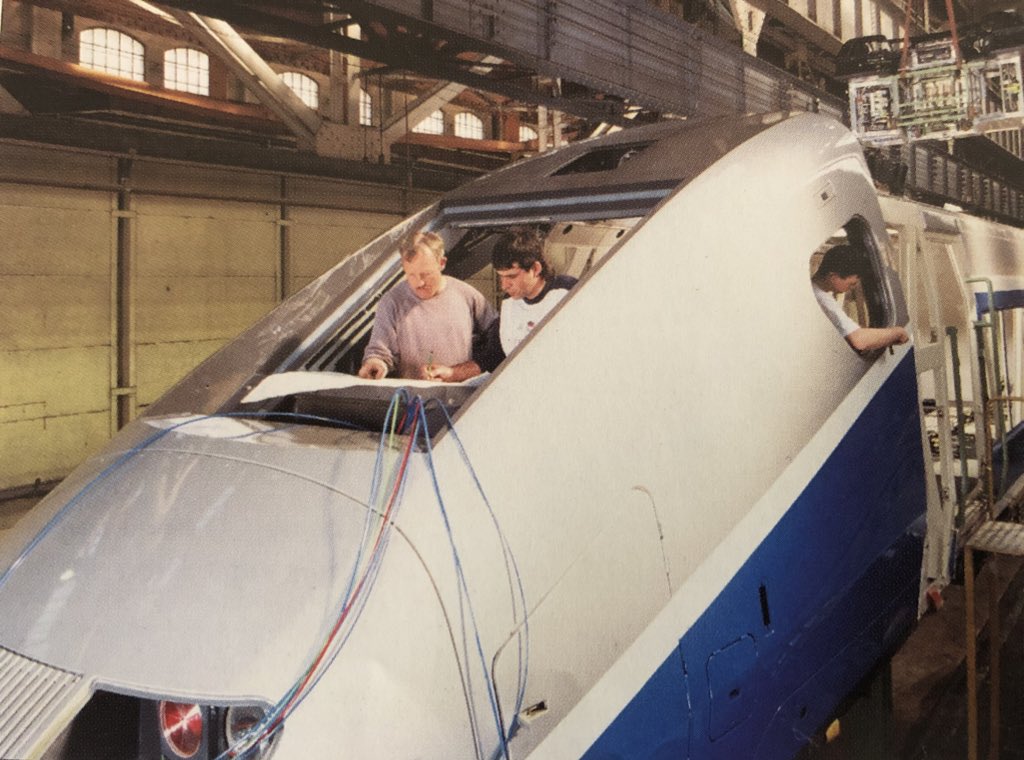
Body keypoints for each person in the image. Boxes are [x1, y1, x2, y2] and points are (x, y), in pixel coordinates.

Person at [426, 227, 577, 382]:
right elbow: (491, 358)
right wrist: (451, 373)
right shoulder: (509, 303)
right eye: (501, 277)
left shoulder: (567, 291)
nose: (504, 286)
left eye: (511, 276)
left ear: (535, 268)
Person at [358, 230, 496, 380]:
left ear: (441, 263)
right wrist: (375, 363)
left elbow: (499, 337)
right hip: (411, 399)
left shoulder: (467, 295)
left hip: (463, 398)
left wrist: (466, 370)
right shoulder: (392, 301)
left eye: (426, 274)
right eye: (411, 275)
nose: (419, 283)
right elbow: (379, 352)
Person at [811, 244, 909, 353]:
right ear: (833, 277)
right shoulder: (823, 300)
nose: (852, 288)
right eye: (851, 284)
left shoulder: (812, 290)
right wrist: (898, 332)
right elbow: (859, 341)